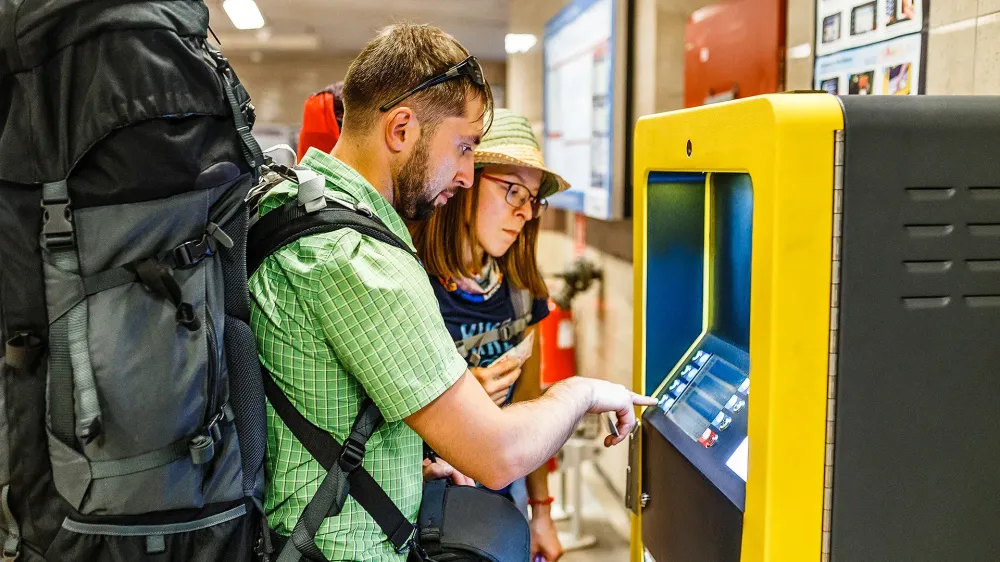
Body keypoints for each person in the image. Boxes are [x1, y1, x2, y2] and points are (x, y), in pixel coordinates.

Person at [250, 23, 654, 561]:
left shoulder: (296, 205)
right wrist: (580, 392)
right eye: (463, 148)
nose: (466, 175)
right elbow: (499, 452)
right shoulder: (362, 262)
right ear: (400, 129)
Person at [410, 108, 570, 561]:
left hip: (501, 504)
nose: (524, 212)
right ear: (466, 182)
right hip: (428, 509)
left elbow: (529, 407)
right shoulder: (412, 283)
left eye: (534, 199)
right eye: (512, 191)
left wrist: (541, 512)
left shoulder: (520, 289)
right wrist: (459, 397)